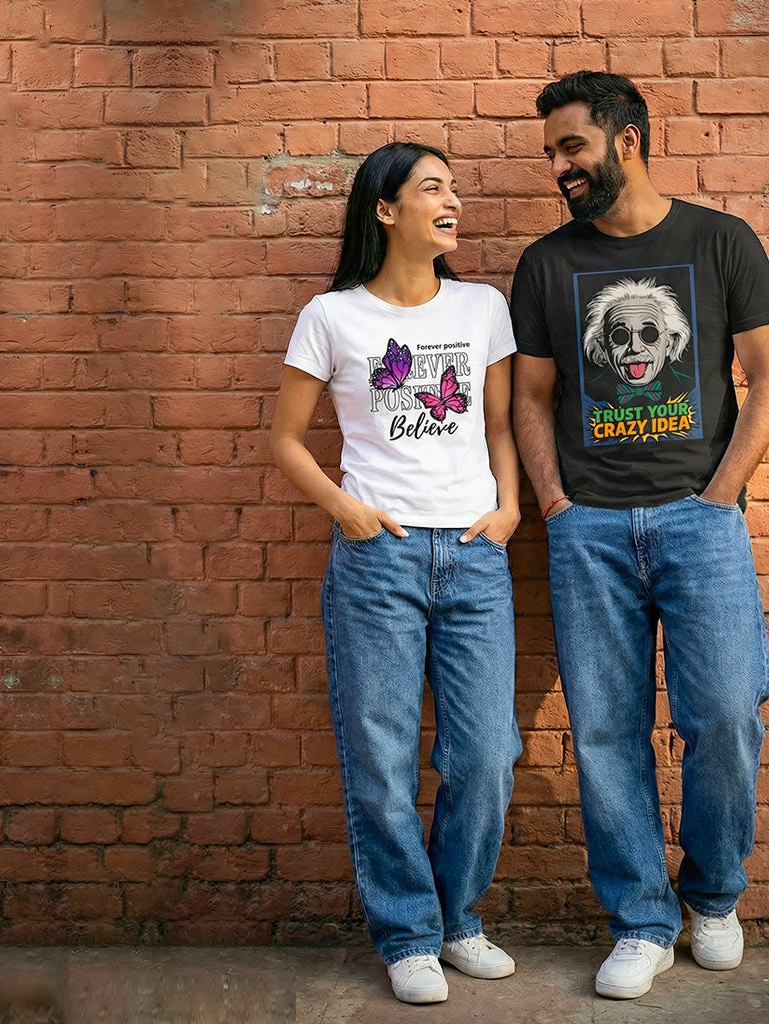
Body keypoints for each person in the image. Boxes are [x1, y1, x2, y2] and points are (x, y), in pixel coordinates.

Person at [510, 72, 769, 1000]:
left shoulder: (721, 242)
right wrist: (555, 504)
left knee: (723, 715)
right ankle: (640, 919)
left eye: (571, 147)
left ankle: (713, 897)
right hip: (587, 528)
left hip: (700, 521)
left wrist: (719, 496)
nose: (559, 167)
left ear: (626, 139)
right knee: (604, 733)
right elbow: (533, 397)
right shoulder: (548, 263)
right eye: (552, 151)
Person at [271, 142, 523, 1005]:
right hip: (377, 556)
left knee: (486, 754)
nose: (452, 200)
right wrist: (348, 512)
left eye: (454, 186)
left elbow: (498, 428)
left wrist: (510, 509)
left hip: (475, 552)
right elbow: (285, 442)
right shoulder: (332, 317)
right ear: (386, 210)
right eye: (432, 188)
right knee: (380, 756)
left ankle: (459, 919)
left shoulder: (483, 306)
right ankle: (409, 934)